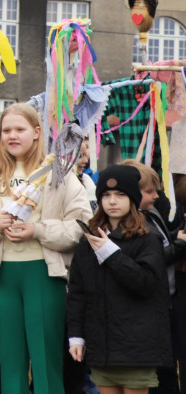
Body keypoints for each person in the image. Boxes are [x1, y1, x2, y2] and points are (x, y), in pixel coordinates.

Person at [0, 103, 90, 394]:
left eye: (19, 129)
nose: (12, 136)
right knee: (11, 363)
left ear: (36, 132)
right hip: (2, 278)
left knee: (46, 363)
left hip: (43, 276)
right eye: (6, 130)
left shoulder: (58, 173)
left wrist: (38, 231)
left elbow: (82, 225)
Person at [67, 164, 172, 393]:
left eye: (120, 195)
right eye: (106, 195)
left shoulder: (147, 238)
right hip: (101, 347)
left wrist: (111, 253)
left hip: (137, 349)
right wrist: (76, 336)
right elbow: (77, 292)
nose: (112, 201)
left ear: (132, 198)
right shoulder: (90, 239)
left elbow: (145, 283)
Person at [126, 159, 184, 393]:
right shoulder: (134, 222)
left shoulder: (151, 213)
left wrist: (176, 233)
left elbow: (163, 239)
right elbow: (156, 257)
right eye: (149, 191)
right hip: (153, 304)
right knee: (161, 367)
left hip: (167, 300)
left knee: (169, 361)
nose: (156, 196)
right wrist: (180, 244)